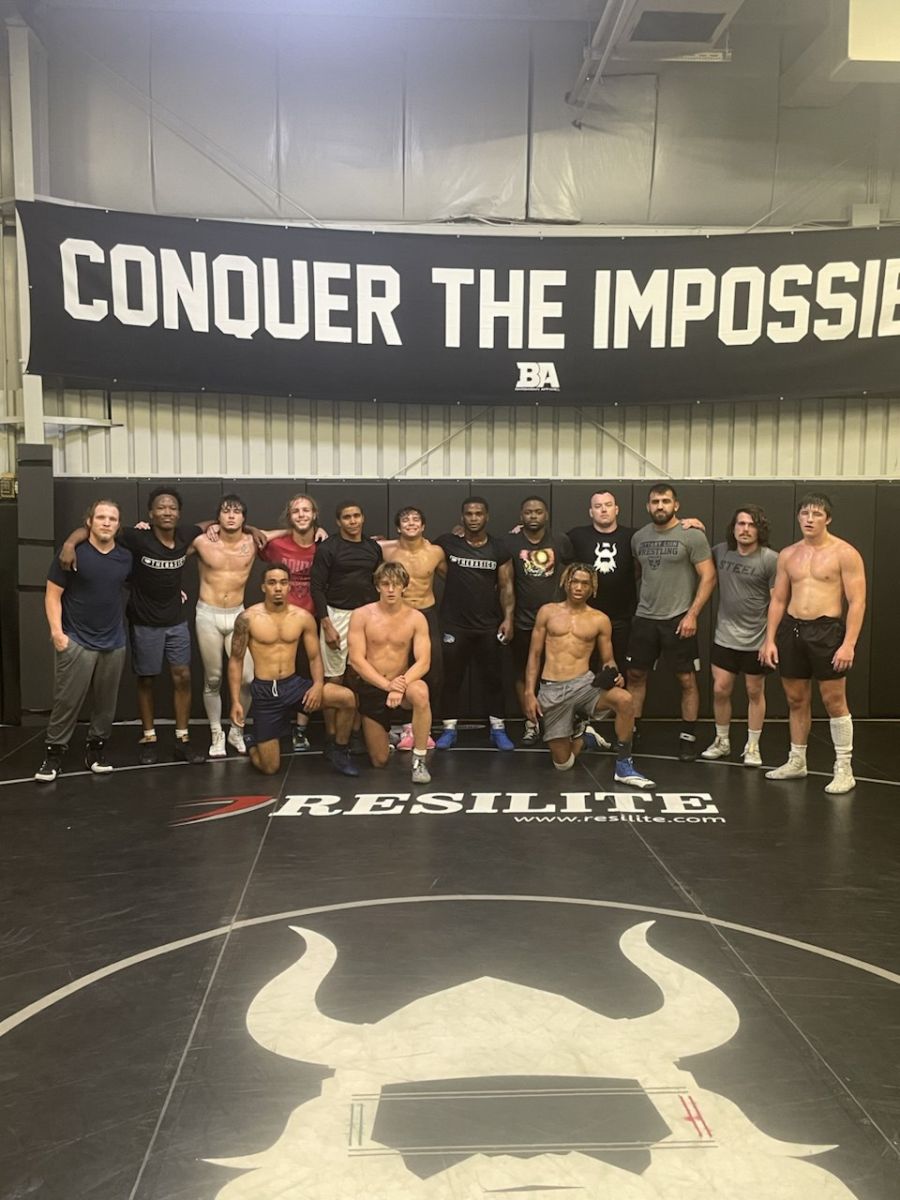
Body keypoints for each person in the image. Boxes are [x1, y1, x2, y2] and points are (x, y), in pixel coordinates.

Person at [60, 485, 205, 764]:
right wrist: (68, 544)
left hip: (175, 620)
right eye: (161, 507)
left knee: (183, 676)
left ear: (178, 513)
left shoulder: (186, 535)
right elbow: (90, 530)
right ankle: (149, 737)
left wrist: (249, 529)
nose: (167, 511)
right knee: (146, 679)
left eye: (172, 507)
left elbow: (210, 525)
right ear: (151, 513)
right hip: (144, 621)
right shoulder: (137, 537)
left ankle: (182, 738)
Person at [760, 492, 866, 794]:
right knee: (796, 699)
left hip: (827, 631)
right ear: (798, 517)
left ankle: (844, 767)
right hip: (792, 630)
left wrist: (849, 644)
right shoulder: (788, 555)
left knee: (834, 701)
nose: (809, 519)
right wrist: (769, 639)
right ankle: (797, 760)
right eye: (805, 513)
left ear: (827, 519)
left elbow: (857, 601)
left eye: (816, 514)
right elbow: (778, 600)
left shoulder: (845, 553)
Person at [523, 563, 654, 788]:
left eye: (585, 583)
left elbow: (608, 659)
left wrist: (614, 675)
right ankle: (585, 737)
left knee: (625, 700)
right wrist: (529, 692)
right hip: (552, 688)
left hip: (584, 685)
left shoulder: (599, 619)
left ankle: (624, 765)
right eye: (574, 581)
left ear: (592, 588)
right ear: (566, 583)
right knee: (563, 764)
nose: (579, 587)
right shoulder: (547, 612)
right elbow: (534, 655)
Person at [228, 562, 359, 777]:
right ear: (263, 587)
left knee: (347, 698)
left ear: (290, 586)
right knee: (270, 768)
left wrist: (318, 685)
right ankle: (251, 743)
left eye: (283, 582)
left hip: (293, 686)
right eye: (272, 583)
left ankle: (340, 751)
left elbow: (314, 657)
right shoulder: (247, 619)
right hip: (266, 692)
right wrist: (235, 701)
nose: (278, 588)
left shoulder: (303, 617)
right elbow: (236, 660)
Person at [35, 499, 133, 782]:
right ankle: (53, 756)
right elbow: (52, 595)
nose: (106, 522)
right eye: (100, 517)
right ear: (89, 521)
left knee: (106, 704)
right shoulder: (72, 553)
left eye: (112, 518)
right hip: (77, 639)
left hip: (113, 642)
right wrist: (57, 633)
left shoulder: (125, 557)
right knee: (66, 702)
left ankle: (96, 751)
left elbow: (143, 583)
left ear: (118, 525)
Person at [627, 483, 716, 761]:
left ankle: (687, 738)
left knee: (686, 679)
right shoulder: (639, 538)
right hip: (645, 618)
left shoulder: (692, 535)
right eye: (655, 501)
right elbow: (638, 573)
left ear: (675, 505)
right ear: (648, 506)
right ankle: (632, 733)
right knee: (635, 676)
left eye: (665, 501)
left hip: (678, 619)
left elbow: (709, 576)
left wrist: (692, 614)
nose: (660, 506)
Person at [433, 496, 515, 750]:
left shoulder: (498, 548)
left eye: (479, 513)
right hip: (454, 624)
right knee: (451, 678)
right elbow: (424, 556)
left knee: (493, 679)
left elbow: (506, 586)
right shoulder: (447, 542)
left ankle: (498, 729)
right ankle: (449, 729)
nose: (474, 518)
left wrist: (508, 618)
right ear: (462, 517)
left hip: (488, 624)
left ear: (486, 517)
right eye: (469, 514)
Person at [701, 507, 778, 767]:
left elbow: (777, 602)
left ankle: (753, 746)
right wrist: (694, 526)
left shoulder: (770, 559)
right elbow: (697, 554)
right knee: (720, 689)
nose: (745, 529)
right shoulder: (720, 551)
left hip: (757, 639)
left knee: (754, 691)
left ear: (759, 530)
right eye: (741, 524)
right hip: (725, 636)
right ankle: (722, 741)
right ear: (733, 528)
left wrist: (770, 640)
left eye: (751, 525)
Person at [348, 561, 433, 783]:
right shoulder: (361, 615)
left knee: (421, 692)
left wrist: (400, 685)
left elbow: (424, 662)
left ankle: (419, 760)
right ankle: (387, 736)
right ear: (377, 586)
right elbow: (356, 660)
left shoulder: (416, 618)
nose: (391, 589)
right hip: (374, 686)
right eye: (386, 584)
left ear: (405, 586)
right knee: (380, 760)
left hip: (404, 686)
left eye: (396, 584)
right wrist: (387, 686)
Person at [310, 500, 383, 746]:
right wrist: (326, 623)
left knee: (360, 676)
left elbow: (378, 581)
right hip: (336, 615)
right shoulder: (328, 548)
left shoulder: (373, 547)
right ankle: (331, 735)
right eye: (347, 517)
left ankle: (355, 732)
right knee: (335, 678)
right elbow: (316, 587)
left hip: (366, 616)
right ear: (338, 522)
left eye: (356, 516)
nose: (352, 521)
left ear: (363, 518)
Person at [505, 495, 574, 745]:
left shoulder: (560, 540)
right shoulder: (511, 542)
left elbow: (573, 570)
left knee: (558, 672)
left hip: (555, 622)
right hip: (523, 621)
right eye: (528, 512)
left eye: (538, 512)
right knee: (523, 673)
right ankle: (530, 722)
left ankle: (558, 722)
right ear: (521, 516)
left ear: (546, 515)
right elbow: (506, 583)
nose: (533, 516)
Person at [191, 494, 256, 758]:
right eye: (226, 511)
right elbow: (168, 550)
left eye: (236, 512)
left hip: (237, 614)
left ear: (244, 518)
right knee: (214, 678)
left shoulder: (252, 541)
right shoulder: (202, 541)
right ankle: (216, 732)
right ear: (217, 517)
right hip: (208, 614)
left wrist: (318, 530)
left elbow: (289, 534)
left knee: (248, 678)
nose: (231, 516)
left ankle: (236, 730)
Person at [256, 493, 321, 752]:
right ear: (289, 517)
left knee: (307, 673)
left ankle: (300, 729)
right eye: (296, 511)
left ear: (314, 514)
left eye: (306, 510)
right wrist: (282, 532)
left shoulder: (323, 544)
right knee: (279, 672)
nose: (302, 515)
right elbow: (252, 535)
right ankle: (275, 725)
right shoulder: (277, 545)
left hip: (312, 618)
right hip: (281, 619)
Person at [377, 507, 444, 750]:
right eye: (405, 520)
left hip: (426, 612)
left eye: (416, 519)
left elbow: (454, 577)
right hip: (399, 614)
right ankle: (403, 726)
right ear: (398, 527)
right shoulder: (386, 550)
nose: (411, 523)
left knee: (432, 670)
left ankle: (423, 726)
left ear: (423, 526)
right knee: (398, 667)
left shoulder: (436, 552)